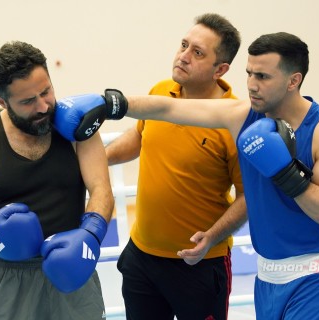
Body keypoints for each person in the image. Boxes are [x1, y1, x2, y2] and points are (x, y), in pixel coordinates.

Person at [98, 32, 319, 319]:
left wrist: (284, 171)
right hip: (269, 275)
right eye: (249, 74)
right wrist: (110, 104)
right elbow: (167, 108)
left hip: (317, 274)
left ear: (293, 81)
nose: (252, 85)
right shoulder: (242, 115)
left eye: (264, 77)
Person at [0, 41, 114, 320]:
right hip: (4, 280)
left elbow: (101, 191)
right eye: (27, 101)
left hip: (73, 268)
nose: (42, 106)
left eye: (46, 91)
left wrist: (90, 235)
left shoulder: (79, 129)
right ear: (1, 101)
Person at [105, 13, 247, 320]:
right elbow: (138, 138)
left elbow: (249, 197)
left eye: (197, 53)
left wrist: (213, 235)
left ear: (220, 69)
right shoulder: (160, 90)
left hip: (199, 264)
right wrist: (95, 161)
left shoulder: (234, 120)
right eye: (184, 45)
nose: (183, 57)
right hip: (142, 256)